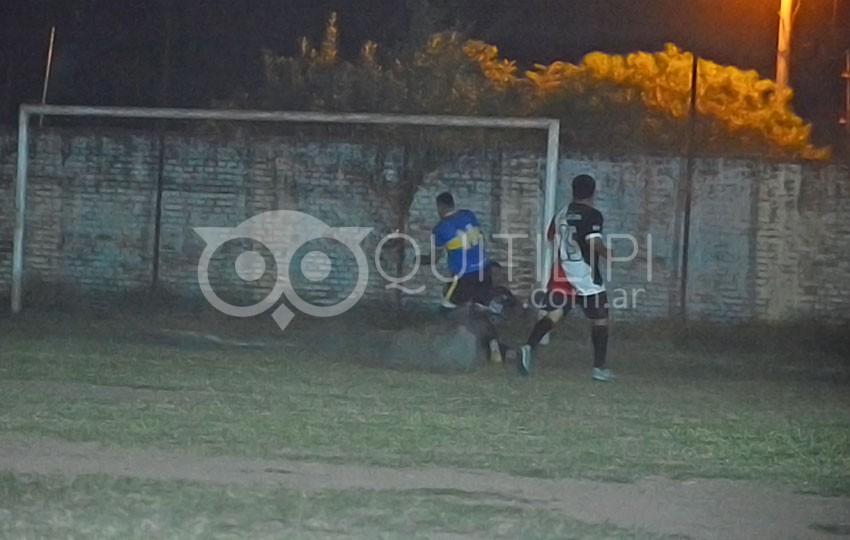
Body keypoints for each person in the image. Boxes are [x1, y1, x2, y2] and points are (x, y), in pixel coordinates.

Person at [517, 174, 614, 381]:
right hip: (585, 274)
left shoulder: (561, 213)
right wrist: (607, 253)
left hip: (564, 273)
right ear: (593, 193)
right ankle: (599, 368)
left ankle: (528, 347)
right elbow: (593, 241)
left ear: (573, 190)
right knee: (600, 319)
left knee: (555, 314)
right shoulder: (593, 215)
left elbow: (551, 236)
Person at [419, 192, 504, 364]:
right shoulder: (469, 215)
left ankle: (460, 341)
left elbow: (434, 259)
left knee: (447, 309)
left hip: (464, 276)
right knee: (479, 311)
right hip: (484, 269)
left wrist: (422, 260)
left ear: (440, 207)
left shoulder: (440, 228)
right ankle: (494, 348)